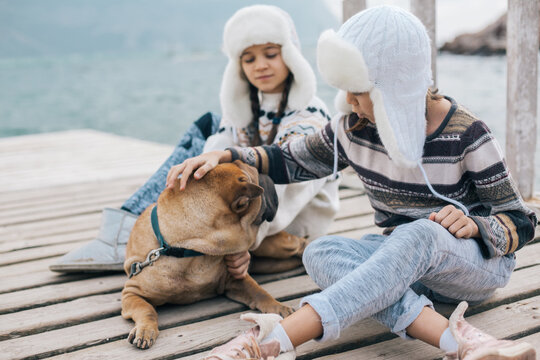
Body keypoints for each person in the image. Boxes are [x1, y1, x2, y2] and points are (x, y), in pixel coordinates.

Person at [166, 6, 538, 360]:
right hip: (400, 267)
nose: (347, 102)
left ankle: (272, 340)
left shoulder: (468, 134)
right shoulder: (353, 127)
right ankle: (460, 341)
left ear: (393, 88)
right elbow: (292, 160)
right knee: (319, 252)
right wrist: (229, 155)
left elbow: (521, 222)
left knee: (422, 232)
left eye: (358, 93)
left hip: (470, 269)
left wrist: (476, 225)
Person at [50, 5, 340, 276]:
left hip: (290, 220)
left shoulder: (310, 113)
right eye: (249, 58)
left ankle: (148, 233)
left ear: (290, 55)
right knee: (209, 129)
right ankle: (134, 223)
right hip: (245, 215)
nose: (260, 65)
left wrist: (244, 242)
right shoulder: (247, 104)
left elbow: (289, 185)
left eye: (270, 54)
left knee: (251, 164)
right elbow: (216, 152)